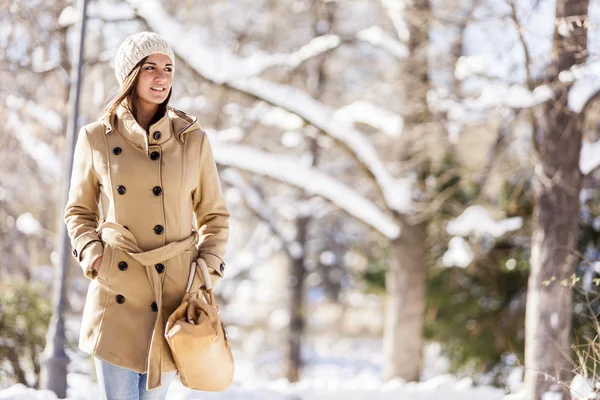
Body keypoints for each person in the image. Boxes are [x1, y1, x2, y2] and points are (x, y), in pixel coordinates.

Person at [63, 31, 230, 400]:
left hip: (174, 295)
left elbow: (215, 217)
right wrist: (95, 257)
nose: (161, 77)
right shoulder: (96, 138)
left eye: (167, 68)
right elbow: (78, 211)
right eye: (150, 67)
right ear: (130, 75)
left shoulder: (193, 140)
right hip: (117, 287)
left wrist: (204, 272)